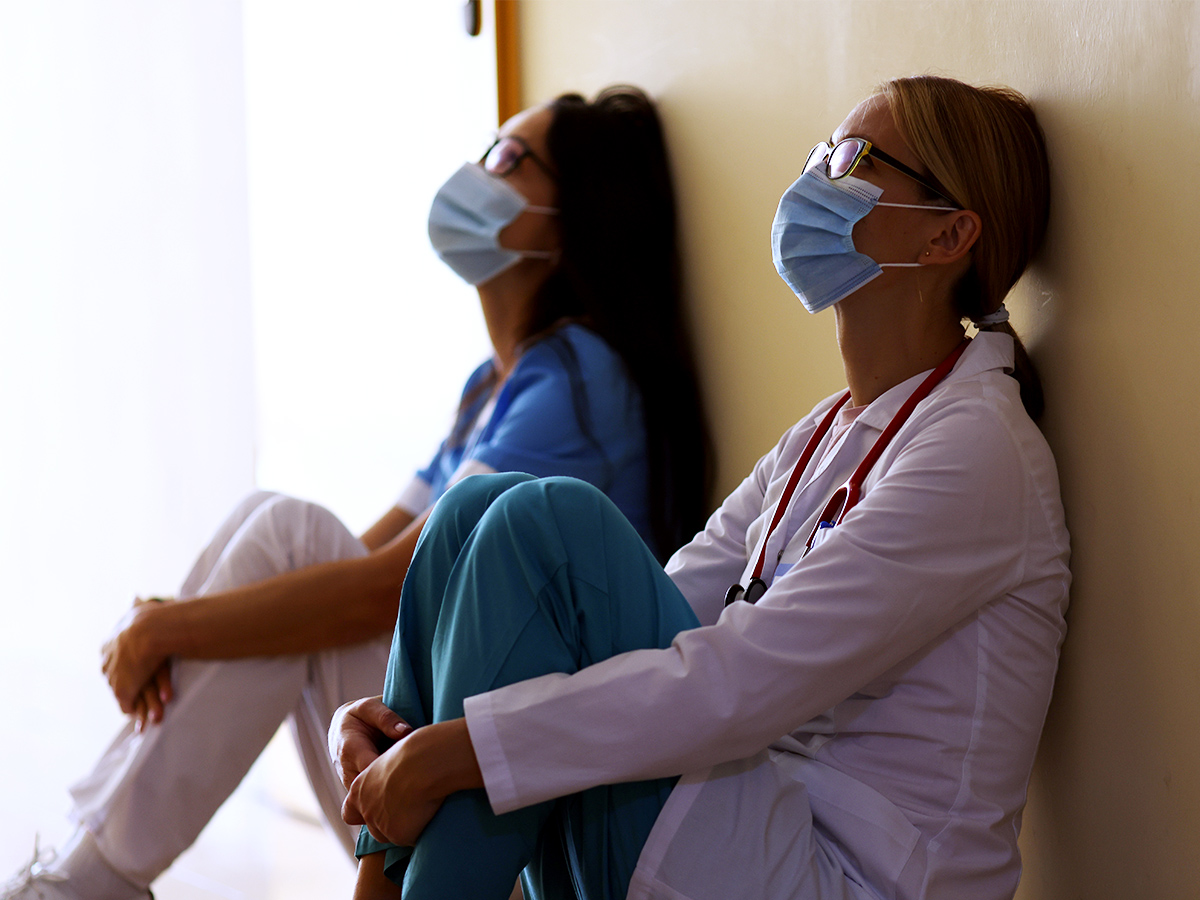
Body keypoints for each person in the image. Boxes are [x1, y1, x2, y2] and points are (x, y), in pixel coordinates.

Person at [330, 75, 1070, 900]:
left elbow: (741, 680)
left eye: (851, 158)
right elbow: (668, 610)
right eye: (819, 153)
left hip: (840, 872)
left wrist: (451, 751)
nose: (813, 178)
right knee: (473, 511)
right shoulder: (828, 431)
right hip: (749, 820)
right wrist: (410, 741)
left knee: (547, 520)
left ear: (947, 236)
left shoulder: (977, 449)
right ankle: (379, 878)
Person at [3, 86, 711, 900]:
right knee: (276, 527)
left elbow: (374, 593)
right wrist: (182, 622)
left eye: (509, 160)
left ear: (571, 222)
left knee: (288, 536)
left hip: (520, 826)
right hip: (440, 786)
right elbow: (369, 563)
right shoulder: (493, 385)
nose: (477, 171)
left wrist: (171, 626)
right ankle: (79, 876)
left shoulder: (581, 378)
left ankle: (78, 885)